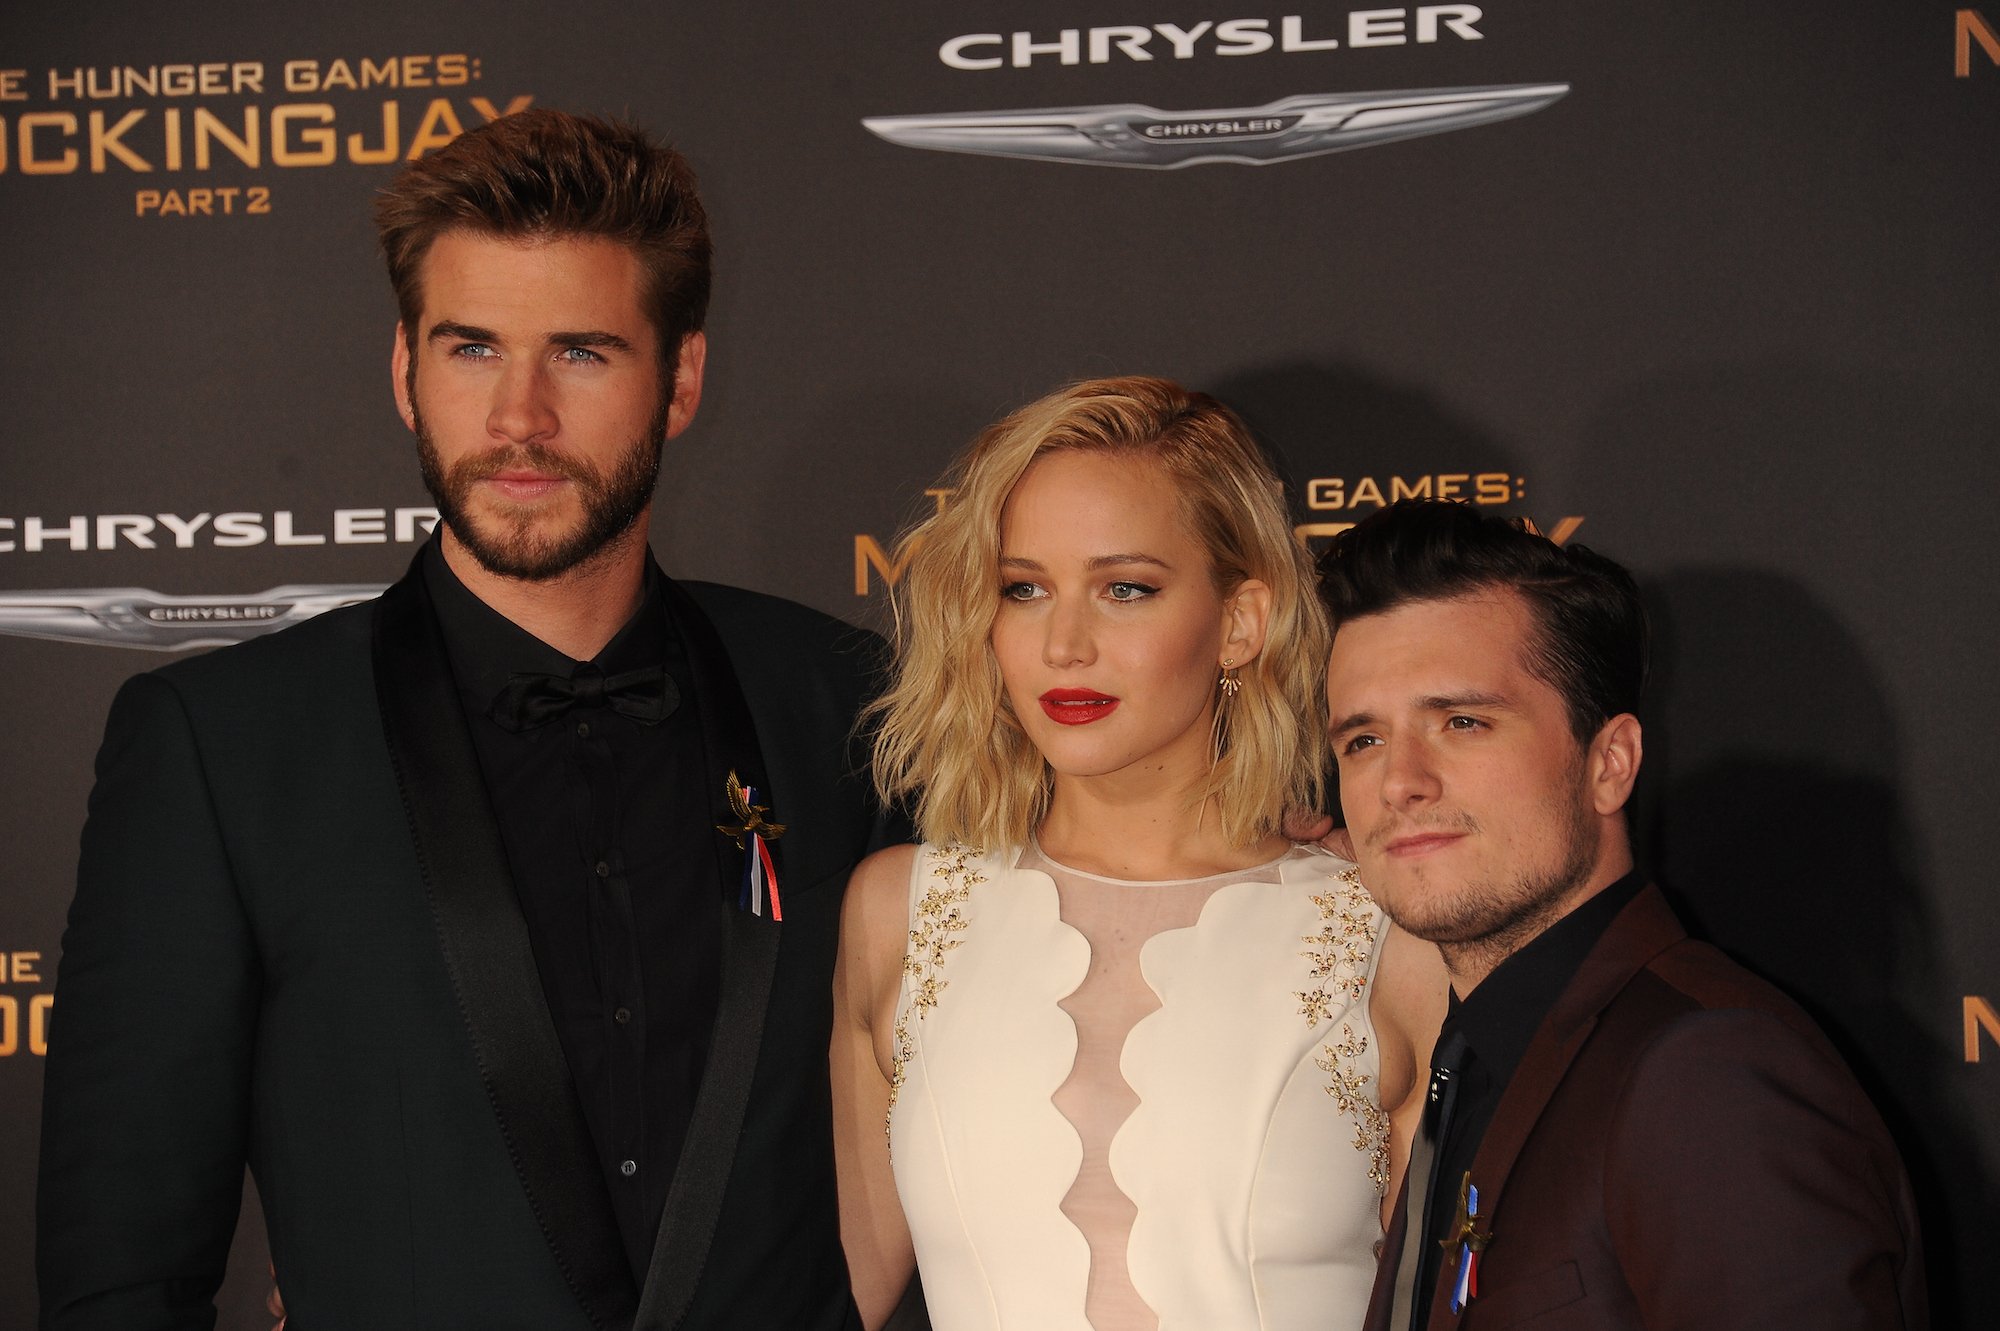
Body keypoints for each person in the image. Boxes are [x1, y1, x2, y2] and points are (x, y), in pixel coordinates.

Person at [38, 109, 896, 1330]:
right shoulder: (221, 745)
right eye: (472, 348)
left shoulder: (843, 701)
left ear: (682, 380)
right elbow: (123, 1263)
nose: (518, 417)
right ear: (405, 371)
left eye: (583, 353)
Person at [832, 377, 1449, 1331]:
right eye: (1024, 589)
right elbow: (841, 1300)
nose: (1065, 642)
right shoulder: (902, 911)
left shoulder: (1387, 930)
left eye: (1126, 589)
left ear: (1241, 620)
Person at [1318, 499, 1927, 1330]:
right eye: (1363, 741)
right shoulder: (1472, 1061)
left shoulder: (1704, 1075)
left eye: (1462, 721)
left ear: (1610, 764)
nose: (1400, 782)